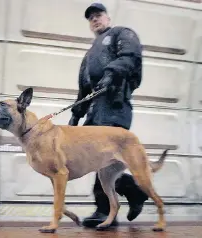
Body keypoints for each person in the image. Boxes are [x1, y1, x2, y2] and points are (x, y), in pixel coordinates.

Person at [68, 2, 149, 228]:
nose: (95, 19)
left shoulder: (121, 34)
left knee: (104, 160)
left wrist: (111, 72)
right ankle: (134, 192)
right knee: (92, 158)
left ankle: (105, 210)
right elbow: (84, 86)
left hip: (115, 106)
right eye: (91, 17)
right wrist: (76, 114)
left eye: (99, 15)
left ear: (108, 18)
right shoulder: (90, 52)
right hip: (95, 111)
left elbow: (130, 56)